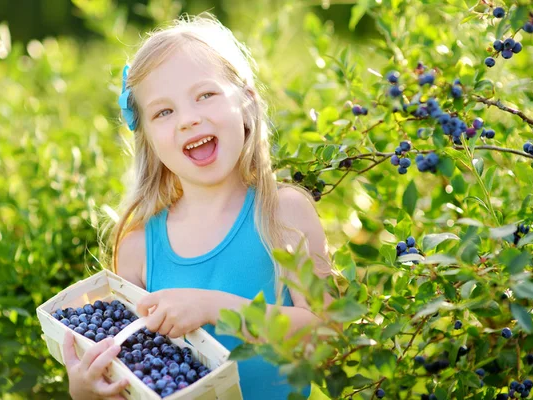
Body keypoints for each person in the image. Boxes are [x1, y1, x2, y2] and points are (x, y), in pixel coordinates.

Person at [62, 12, 339, 400]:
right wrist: (88, 390)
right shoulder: (139, 243)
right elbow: (132, 372)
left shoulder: (283, 214)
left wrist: (215, 307)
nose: (189, 120)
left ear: (246, 103)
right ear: (149, 140)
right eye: (164, 111)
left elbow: (328, 337)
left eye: (205, 95)